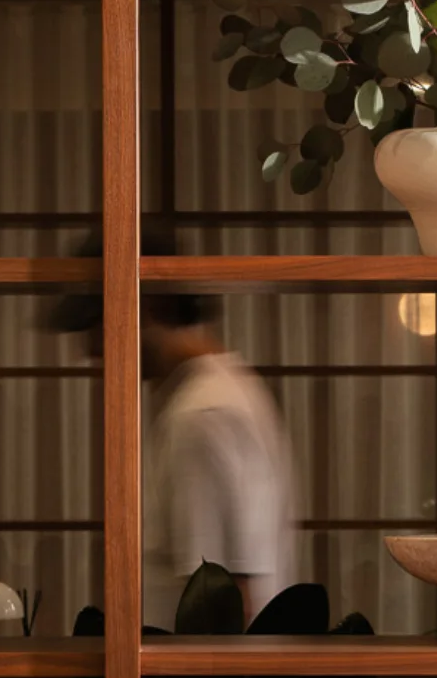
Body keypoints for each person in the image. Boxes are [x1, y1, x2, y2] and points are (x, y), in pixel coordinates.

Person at [48, 223, 298, 629]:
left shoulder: (202, 414)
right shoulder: (218, 390)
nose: (90, 350)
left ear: (147, 307)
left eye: (96, 325)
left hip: (199, 669)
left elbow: (224, 602)